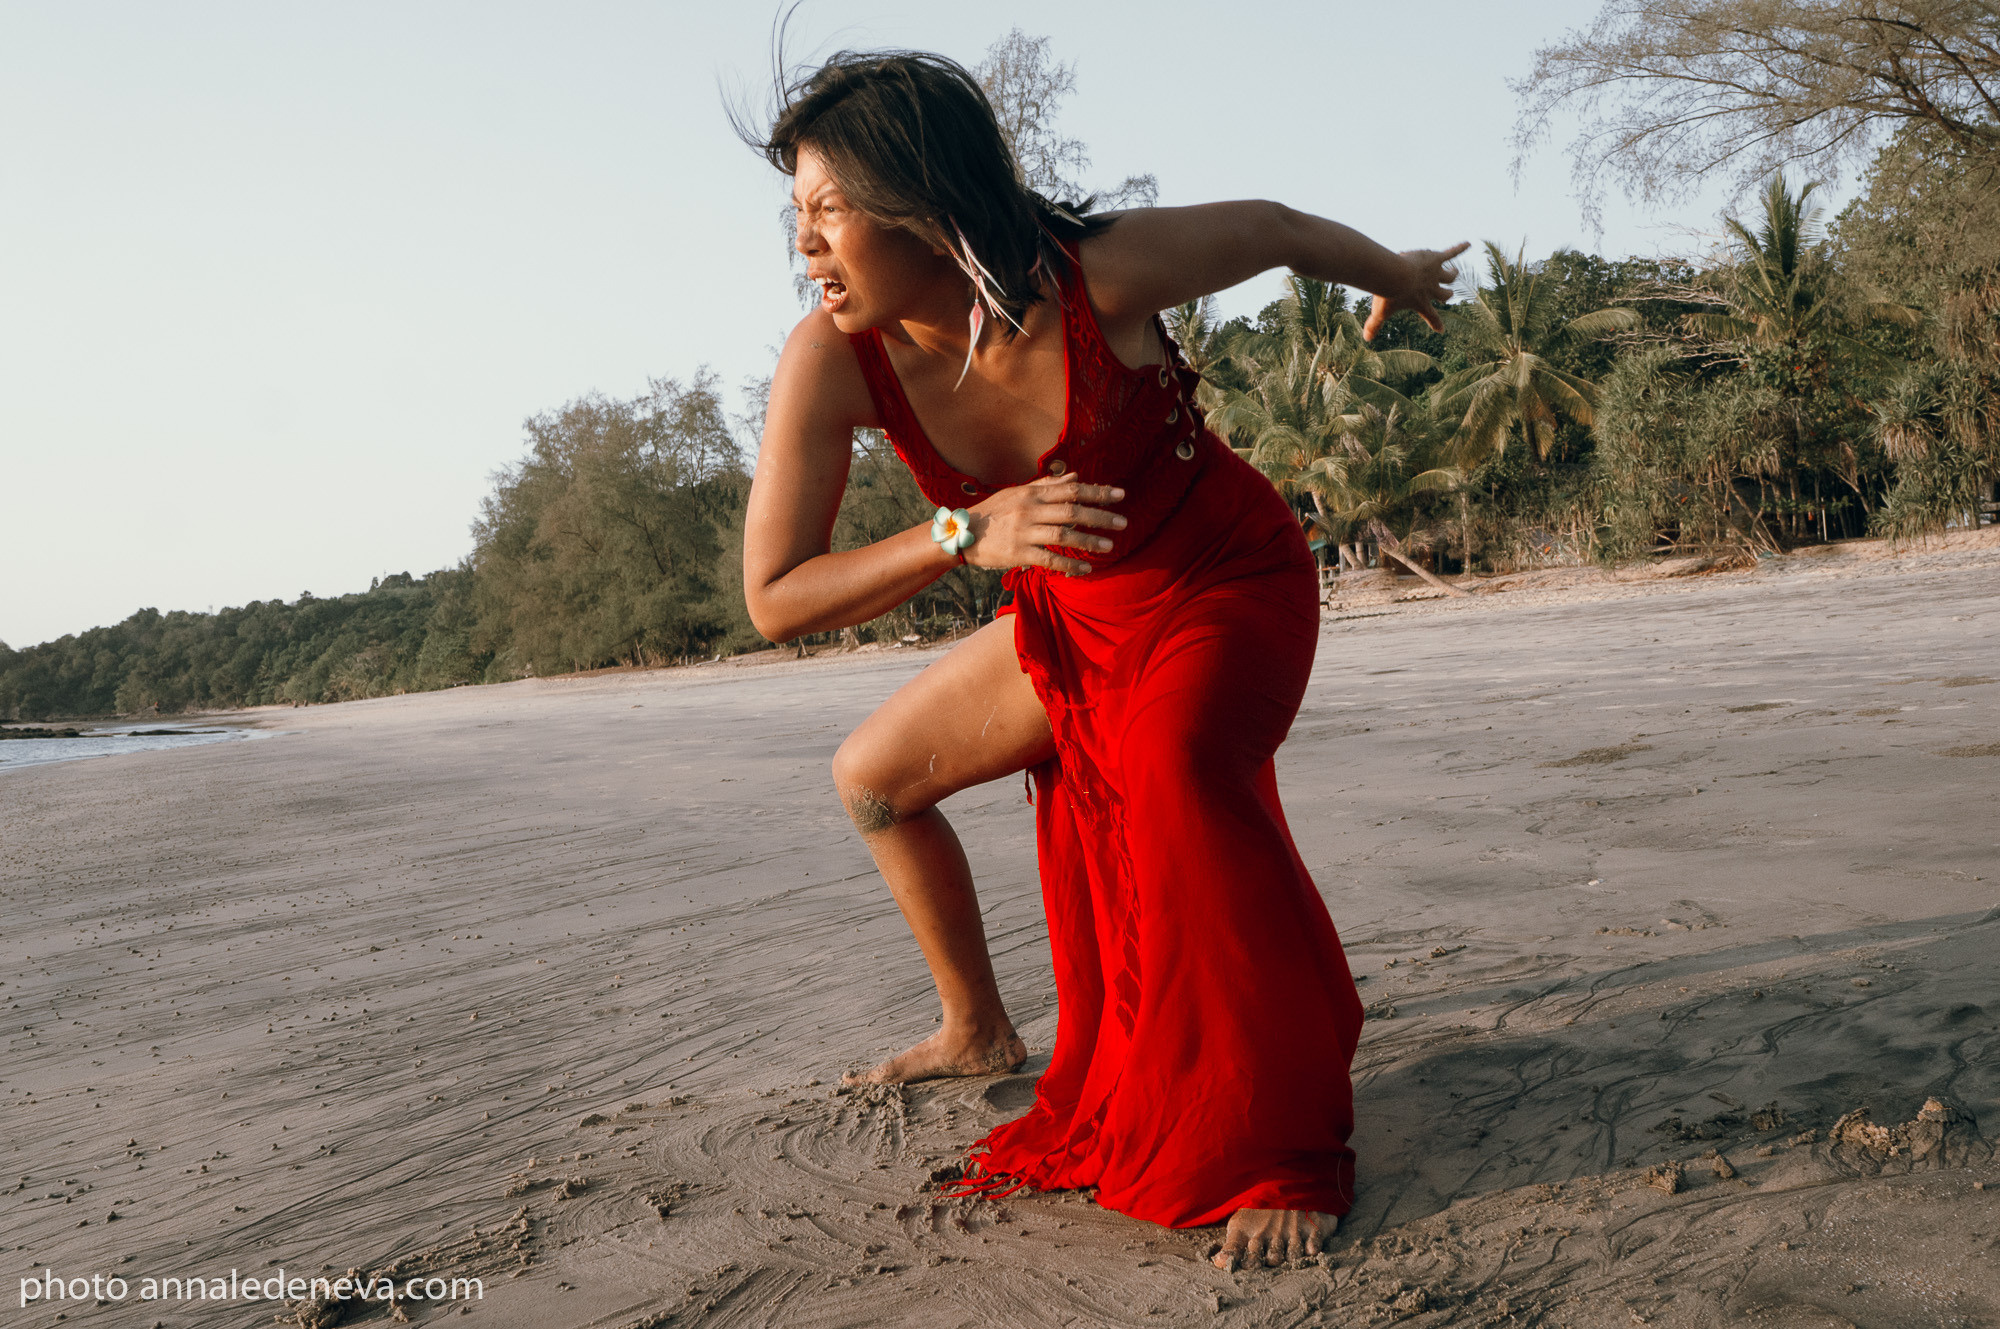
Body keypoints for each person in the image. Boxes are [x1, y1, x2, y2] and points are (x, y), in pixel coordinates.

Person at [739, 49, 1465, 1272]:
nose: (802, 247)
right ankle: (973, 1028)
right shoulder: (829, 359)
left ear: (923, 205)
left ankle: (1284, 1142)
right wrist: (960, 533)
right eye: (792, 216)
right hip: (1073, 626)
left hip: (1223, 580)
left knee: (1176, 774)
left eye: (828, 213)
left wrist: (1397, 274)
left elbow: (1276, 228)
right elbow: (775, 599)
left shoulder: (1095, 276)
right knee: (872, 781)